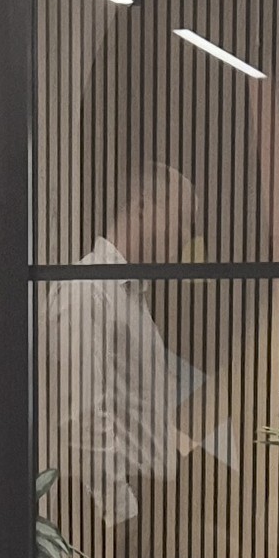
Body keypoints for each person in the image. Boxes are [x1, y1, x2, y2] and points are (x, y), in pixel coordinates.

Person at [38, 162, 199, 527]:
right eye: (182, 219)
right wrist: (121, 513)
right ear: (143, 205)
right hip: (112, 516)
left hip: (144, 509)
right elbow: (81, 416)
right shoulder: (86, 291)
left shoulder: (130, 297)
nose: (187, 235)